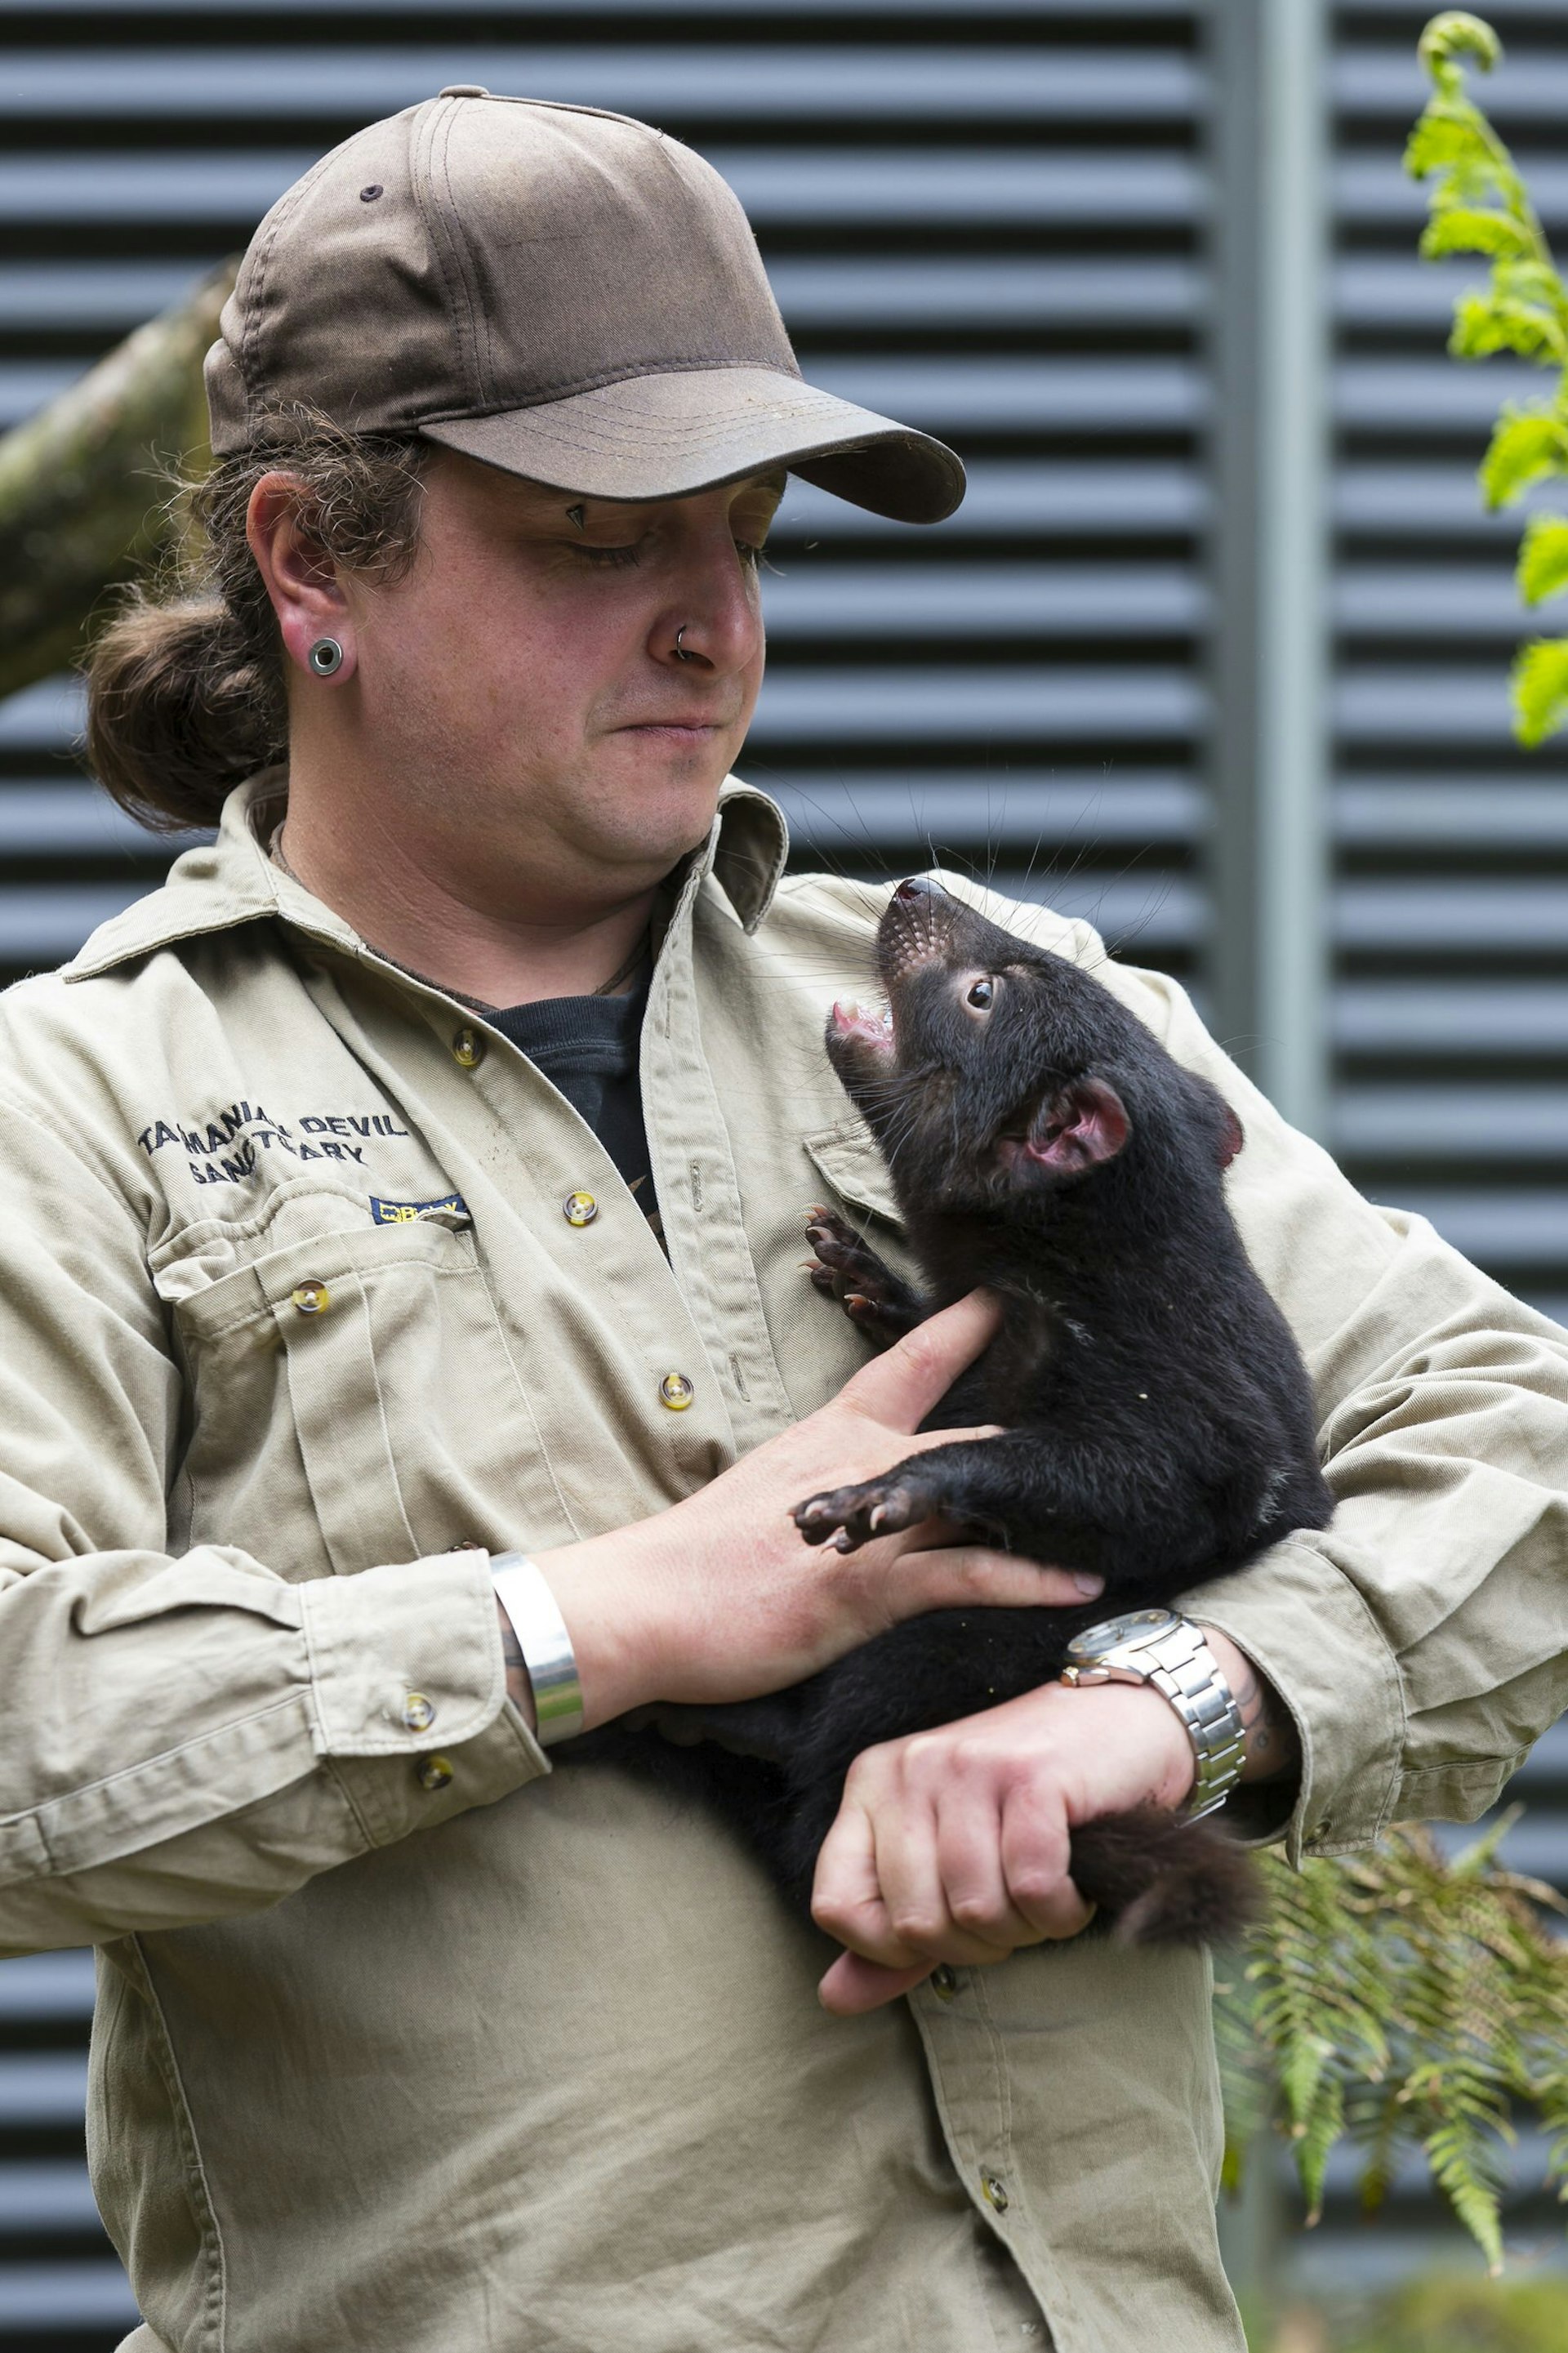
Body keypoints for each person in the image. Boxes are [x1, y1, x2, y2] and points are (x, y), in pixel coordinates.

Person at [2, 88, 1565, 2353]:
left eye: (745, 533)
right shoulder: (84, 1101)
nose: (712, 622)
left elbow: (1517, 1441)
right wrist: (601, 1620)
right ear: (313, 558)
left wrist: (1156, 1707)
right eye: (596, 536)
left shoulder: (1020, 1027)